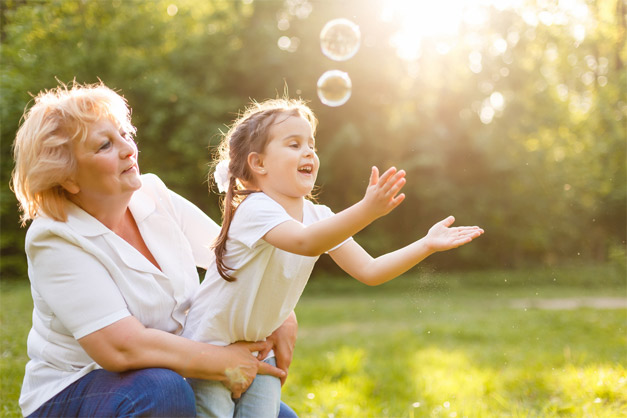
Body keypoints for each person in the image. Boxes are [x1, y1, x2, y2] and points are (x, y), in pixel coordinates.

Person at [10, 82, 299, 417]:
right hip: (78, 389)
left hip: (172, 374)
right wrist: (225, 362)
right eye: (104, 145)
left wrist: (283, 316)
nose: (128, 149)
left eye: (124, 134)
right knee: (162, 391)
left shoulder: (154, 193)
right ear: (67, 177)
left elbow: (237, 261)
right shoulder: (54, 237)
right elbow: (121, 348)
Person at [182, 98, 485, 417]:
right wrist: (368, 210)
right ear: (258, 163)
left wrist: (426, 244)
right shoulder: (254, 209)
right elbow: (305, 242)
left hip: (260, 350)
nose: (309, 152)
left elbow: (370, 270)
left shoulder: (318, 215)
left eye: (311, 145)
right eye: (294, 144)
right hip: (209, 349)